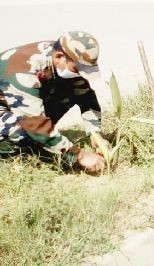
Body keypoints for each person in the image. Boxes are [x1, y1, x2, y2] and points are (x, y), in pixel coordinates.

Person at [0, 31, 106, 173]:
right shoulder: (22, 70)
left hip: (15, 103)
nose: (80, 74)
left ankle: (44, 140)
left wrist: (94, 132)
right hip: (5, 105)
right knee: (20, 133)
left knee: (70, 90)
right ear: (59, 57)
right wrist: (79, 155)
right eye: (77, 69)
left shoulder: (61, 57)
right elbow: (34, 124)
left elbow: (86, 96)